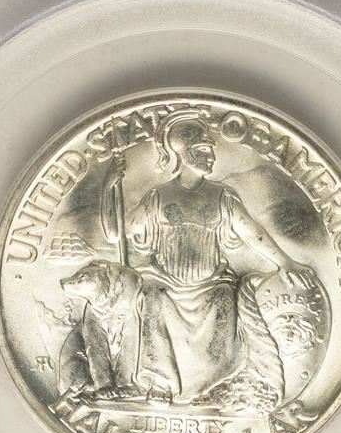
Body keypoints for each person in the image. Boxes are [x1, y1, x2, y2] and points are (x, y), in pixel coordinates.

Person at [100, 108, 315, 408]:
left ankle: (216, 383)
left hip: (212, 284)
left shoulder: (222, 196)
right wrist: (108, 185)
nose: (211, 156)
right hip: (165, 282)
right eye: (202, 150)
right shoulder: (158, 197)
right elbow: (115, 233)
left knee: (226, 297)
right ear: (183, 155)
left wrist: (284, 262)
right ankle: (160, 383)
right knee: (151, 296)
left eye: (210, 149)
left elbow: (252, 232)